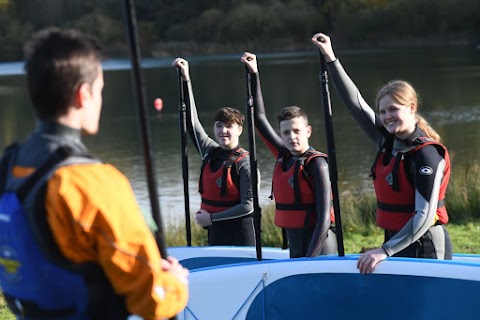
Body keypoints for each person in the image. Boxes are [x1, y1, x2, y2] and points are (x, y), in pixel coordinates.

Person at [0, 27, 188, 319]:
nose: (100, 98)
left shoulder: (10, 164)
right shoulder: (92, 181)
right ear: (83, 94)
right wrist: (175, 283)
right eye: (100, 90)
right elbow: (152, 299)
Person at [311, 32, 453, 274]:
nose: (387, 116)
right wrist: (331, 58)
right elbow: (355, 104)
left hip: (426, 245)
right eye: (383, 111)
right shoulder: (387, 141)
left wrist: (384, 250)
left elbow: (424, 215)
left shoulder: (427, 154)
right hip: (395, 245)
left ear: (412, 108)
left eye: (393, 109)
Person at [241, 52, 337, 258]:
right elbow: (258, 118)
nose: (292, 137)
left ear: (308, 131)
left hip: (320, 247)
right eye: (286, 132)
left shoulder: (317, 165)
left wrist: (309, 259)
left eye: (297, 131)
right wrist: (254, 74)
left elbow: (323, 220)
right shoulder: (284, 155)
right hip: (296, 245)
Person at [171, 57, 256, 246]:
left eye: (229, 126)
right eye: (219, 126)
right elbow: (191, 122)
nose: (223, 131)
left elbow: (248, 206)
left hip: (241, 234)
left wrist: (212, 218)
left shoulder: (245, 163)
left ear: (239, 130)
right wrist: (186, 78)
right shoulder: (210, 151)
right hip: (216, 232)